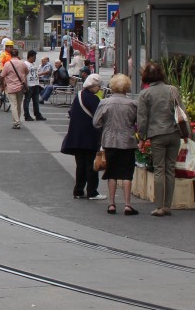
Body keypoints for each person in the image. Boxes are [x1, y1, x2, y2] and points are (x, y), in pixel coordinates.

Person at [136, 62, 186, 217]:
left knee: (159, 169)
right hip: (174, 133)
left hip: (157, 134)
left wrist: (142, 138)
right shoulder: (173, 90)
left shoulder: (145, 94)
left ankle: (159, 207)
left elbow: (142, 118)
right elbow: (182, 112)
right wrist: (185, 132)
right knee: (170, 169)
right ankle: (167, 205)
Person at [93, 73, 138, 214]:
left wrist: (106, 126)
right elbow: (140, 123)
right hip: (127, 141)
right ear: (126, 88)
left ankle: (111, 204)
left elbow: (96, 122)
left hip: (109, 141)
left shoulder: (104, 102)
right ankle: (127, 204)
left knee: (111, 172)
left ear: (112, 87)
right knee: (126, 173)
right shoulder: (132, 104)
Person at [61, 73, 104, 200]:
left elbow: (71, 112)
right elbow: (98, 117)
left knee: (80, 165)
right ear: (93, 86)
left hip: (76, 136)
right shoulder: (94, 99)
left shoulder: (79, 95)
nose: (100, 89)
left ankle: (78, 191)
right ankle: (92, 192)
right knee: (91, 164)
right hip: (89, 136)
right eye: (99, 86)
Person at [0, 47, 30, 129]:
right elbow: (27, 72)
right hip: (21, 87)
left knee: (14, 105)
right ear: (18, 54)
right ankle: (17, 120)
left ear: (10, 54)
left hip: (11, 87)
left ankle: (16, 122)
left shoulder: (8, 64)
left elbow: (2, 75)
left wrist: (2, 84)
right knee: (19, 105)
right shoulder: (22, 63)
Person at [24, 50, 45, 121]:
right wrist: (25, 84)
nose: (35, 58)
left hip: (35, 84)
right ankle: (26, 115)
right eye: (34, 57)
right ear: (31, 56)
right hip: (30, 85)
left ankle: (37, 114)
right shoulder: (26, 64)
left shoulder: (33, 64)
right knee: (27, 100)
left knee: (36, 101)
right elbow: (24, 75)